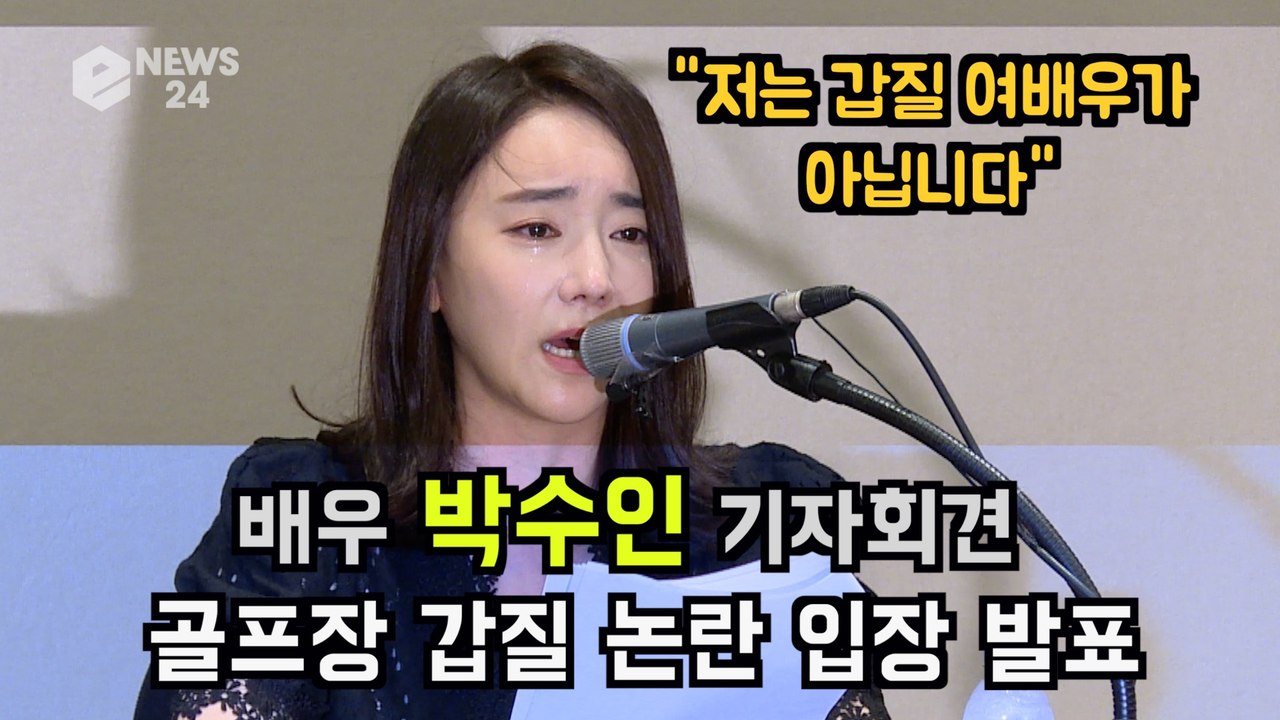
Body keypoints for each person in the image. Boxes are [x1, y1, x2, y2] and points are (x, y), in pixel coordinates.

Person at [132, 42, 892, 720]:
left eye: (630, 233)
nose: (596, 278)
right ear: (430, 272)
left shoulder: (766, 515)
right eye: (538, 230)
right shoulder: (308, 523)